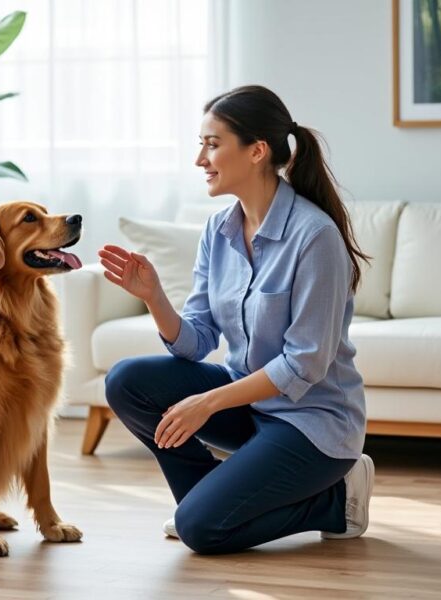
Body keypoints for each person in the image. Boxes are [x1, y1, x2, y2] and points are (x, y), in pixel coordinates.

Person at [98, 85, 373, 555]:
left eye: (212, 144)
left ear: (257, 152)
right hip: (250, 410)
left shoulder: (315, 237)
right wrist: (154, 297)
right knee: (127, 380)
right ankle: (204, 502)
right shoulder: (218, 229)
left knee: (202, 532)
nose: (200, 159)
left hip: (312, 425)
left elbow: (303, 365)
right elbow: (196, 341)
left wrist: (205, 403)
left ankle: (336, 499)